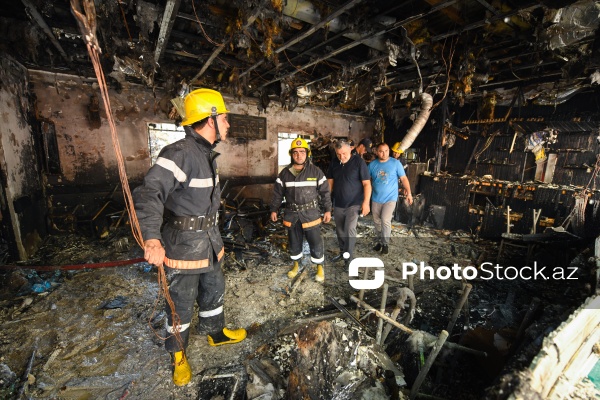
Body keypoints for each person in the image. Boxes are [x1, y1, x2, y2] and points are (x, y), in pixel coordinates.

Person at [133, 88, 246, 387]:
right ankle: (178, 355)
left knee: (214, 287)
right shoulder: (180, 153)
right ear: (210, 120)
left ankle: (215, 332)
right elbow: (149, 193)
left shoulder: (205, 154)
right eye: (224, 118)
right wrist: (152, 239)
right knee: (180, 303)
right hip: (183, 243)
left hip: (208, 240)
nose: (228, 124)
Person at [270, 138, 332, 282]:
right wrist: (274, 209)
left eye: (302, 152)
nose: (299, 155)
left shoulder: (316, 172)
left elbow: (325, 193)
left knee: (315, 241)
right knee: (294, 241)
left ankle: (319, 267)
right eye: (295, 152)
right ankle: (296, 265)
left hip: (311, 214)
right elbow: (277, 194)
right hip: (292, 214)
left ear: (307, 154)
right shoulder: (284, 173)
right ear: (291, 154)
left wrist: (328, 210)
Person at [327, 139, 372, 264]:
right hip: (338, 204)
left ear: (350, 149)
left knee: (349, 230)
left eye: (344, 153)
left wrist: (366, 203)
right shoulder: (334, 163)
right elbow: (330, 183)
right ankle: (342, 253)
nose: (341, 157)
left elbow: (367, 184)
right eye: (338, 154)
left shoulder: (359, 162)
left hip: (354, 203)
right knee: (340, 231)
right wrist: (327, 201)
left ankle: (349, 259)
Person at [368, 143, 413, 254]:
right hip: (376, 198)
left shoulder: (395, 163)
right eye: (381, 151)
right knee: (377, 222)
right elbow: (366, 181)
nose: (384, 153)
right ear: (377, 152)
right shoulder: (372, 165)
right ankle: (379, 241)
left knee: (385, 220)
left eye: (386, 151)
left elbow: (404, 178)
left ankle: (385, 244)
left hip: (390, 198)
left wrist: (409, 193)